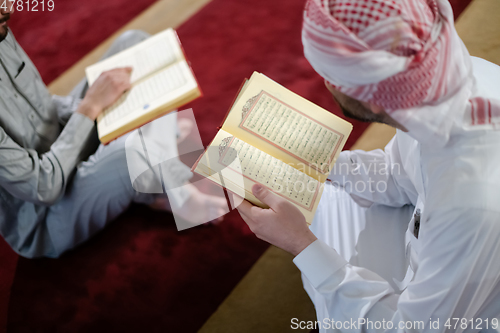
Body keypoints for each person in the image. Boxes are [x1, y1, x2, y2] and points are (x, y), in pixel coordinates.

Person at [237, 0, 500, 331]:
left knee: (323, 277)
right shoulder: (439, 78)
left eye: (326, 76)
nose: (325, 84)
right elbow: (400, 175)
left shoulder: (471, 203)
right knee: (316, 197)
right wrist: (317, 162)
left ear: (370, 98)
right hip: (428, 234)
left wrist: (300, 245)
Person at [0, 6, 226, 258]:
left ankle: (153, 168)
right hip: (46, 216)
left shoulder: (1, 29)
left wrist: (108, 113)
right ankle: (178, 193)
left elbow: (42, 103)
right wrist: (90, 108)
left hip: (66, 144)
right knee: (131, 152)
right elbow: (43, 187)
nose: (9, 7)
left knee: (135, 45)